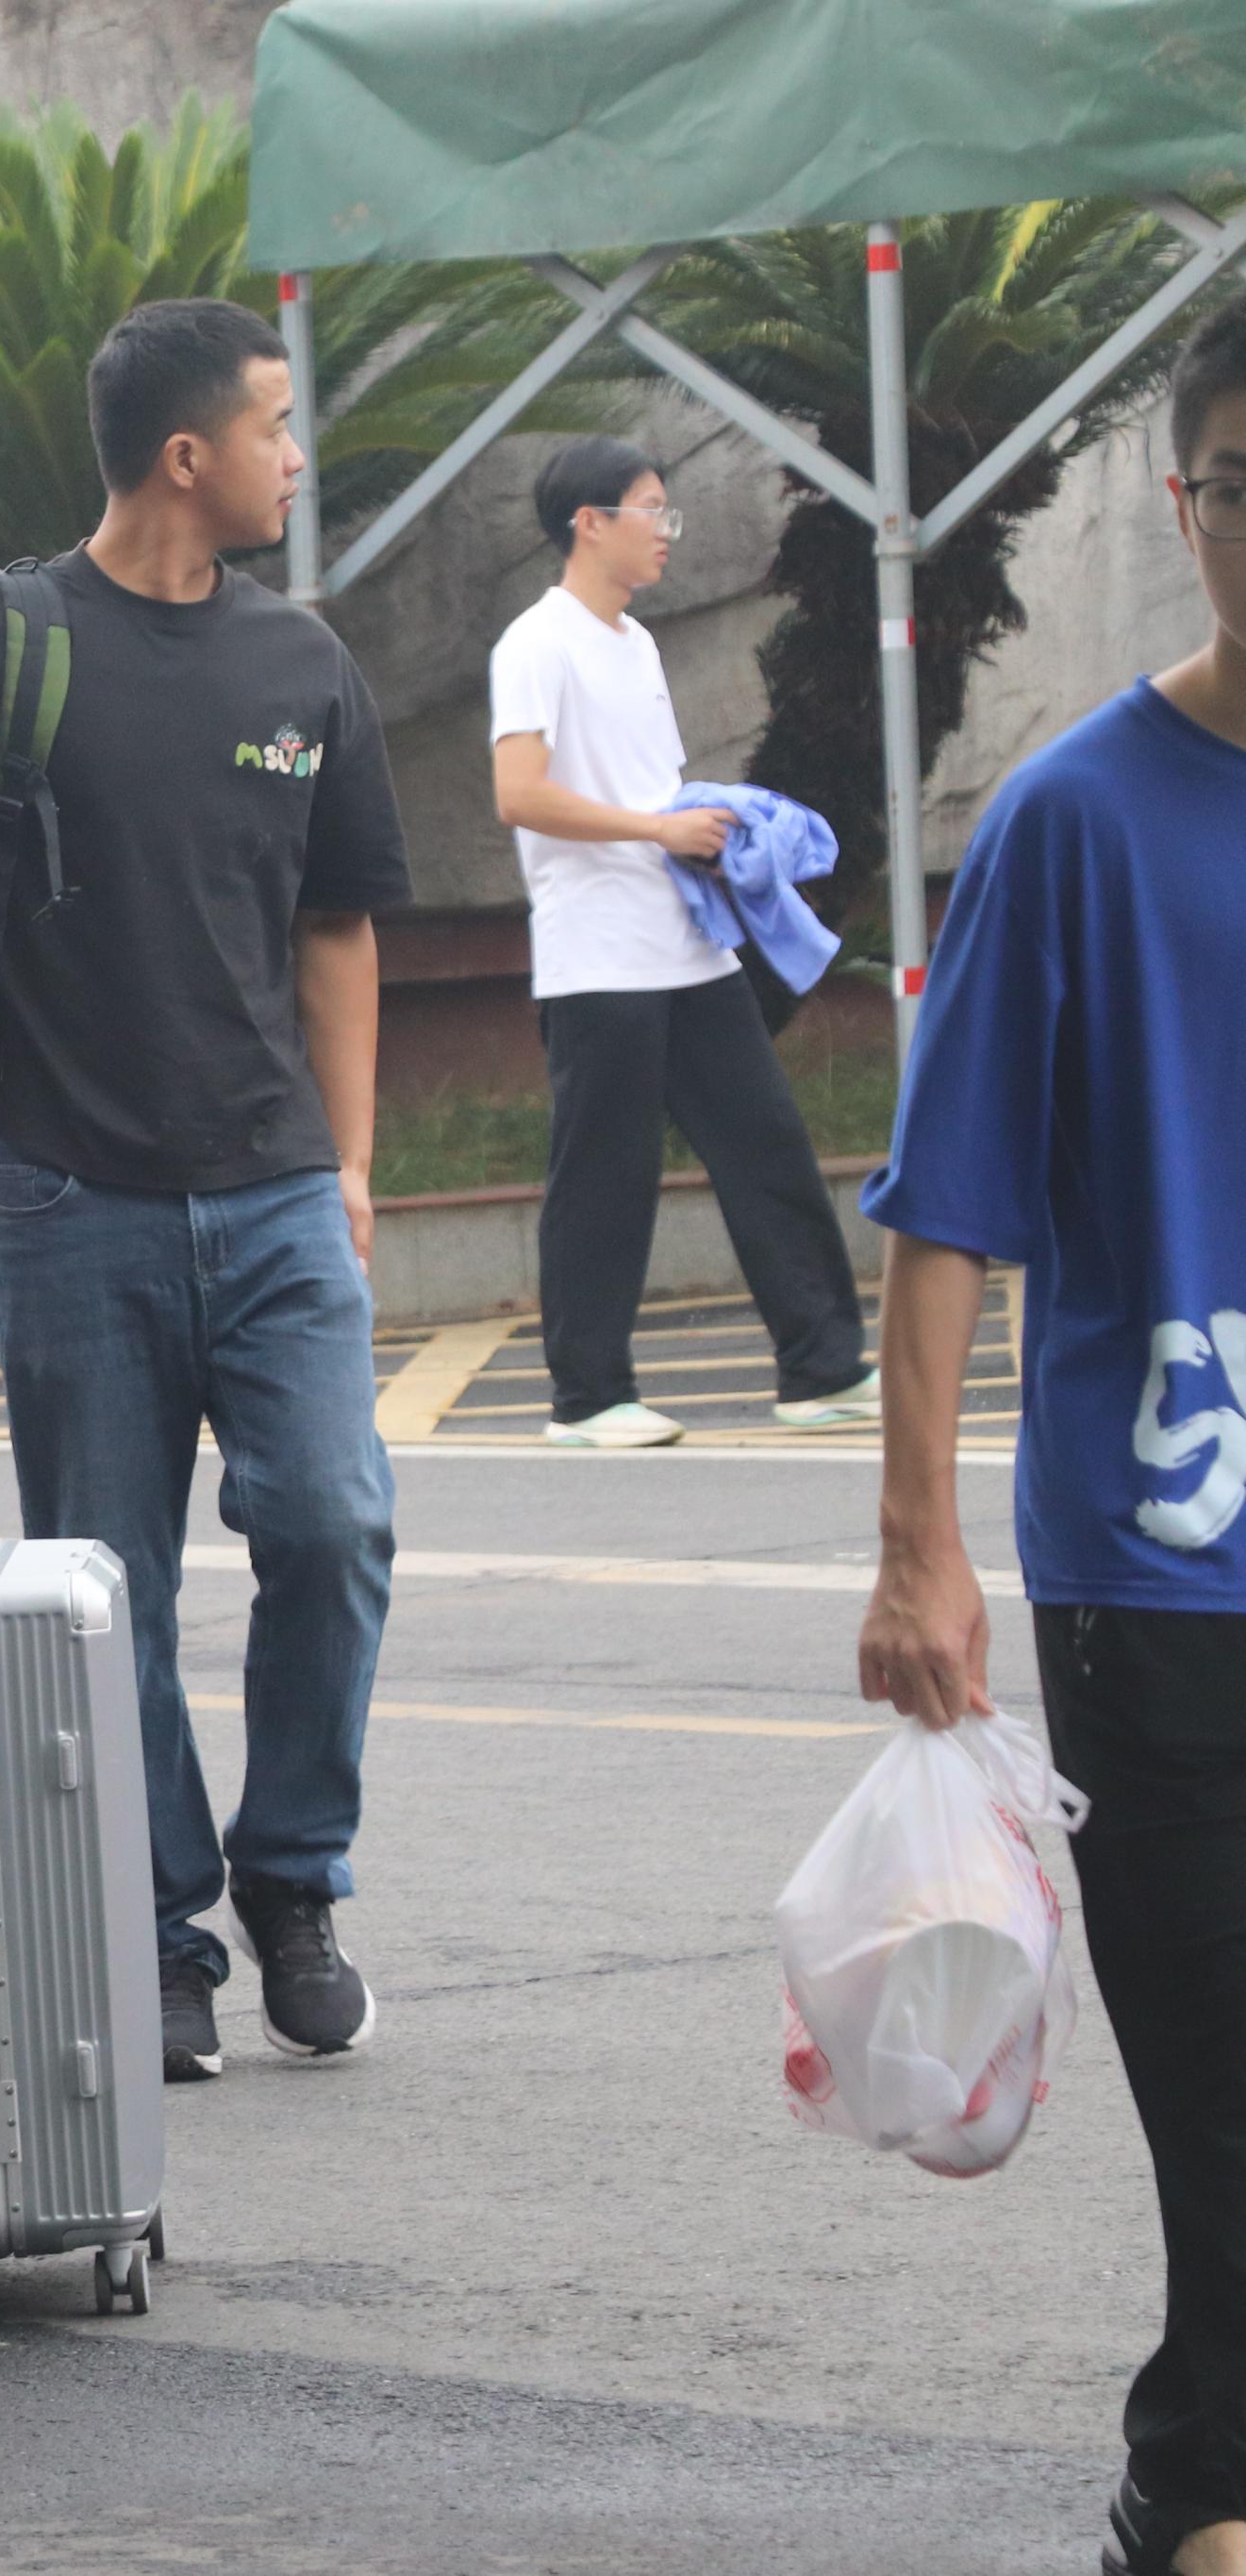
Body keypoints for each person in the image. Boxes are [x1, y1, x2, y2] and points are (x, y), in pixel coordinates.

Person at [0, 298, 406, 2086]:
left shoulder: (301, 664)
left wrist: (349, 1161)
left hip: (273, 1191)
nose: (294, 458)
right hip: (70, 1197)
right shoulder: (4, 649)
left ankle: (293, 1874)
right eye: (273, 426)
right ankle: (164, 1933)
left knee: (332, 1522)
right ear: (188, 456)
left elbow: (337, 929)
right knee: (115, 1591)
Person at [856, 295, 1246, 2576]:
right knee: (1223, 2102)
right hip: (1158, 1578)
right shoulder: (1074, 821)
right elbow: (947, 1217)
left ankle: (1188, 2478)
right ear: (1187, 508)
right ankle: (1197, 2505)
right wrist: (917, 1550)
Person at [490, 435, 875, 1447]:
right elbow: (518, 795)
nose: (666, 529)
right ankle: (587, 1400)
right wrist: (656, 830)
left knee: (766, 1146)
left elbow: (647, 788)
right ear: (590, 523)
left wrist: (705, 828)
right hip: (597, 959)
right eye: (651, 508)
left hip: (686, 944)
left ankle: (824, 1371)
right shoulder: (536, 643)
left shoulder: (636, 644)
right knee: (604, 1175)